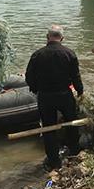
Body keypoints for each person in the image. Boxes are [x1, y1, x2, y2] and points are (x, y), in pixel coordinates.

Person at [25, 25, 84, 171]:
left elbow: (29, 77)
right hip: (65, 94)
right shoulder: (69, 54)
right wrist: (80, 90)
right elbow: (76, 76)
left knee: (48, 128)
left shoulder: (37, 55)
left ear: (47, 37)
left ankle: (54, 160)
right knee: (71, 123)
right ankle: (74, 152)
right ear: (62, 38)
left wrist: (34, 88)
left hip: (45, 96)